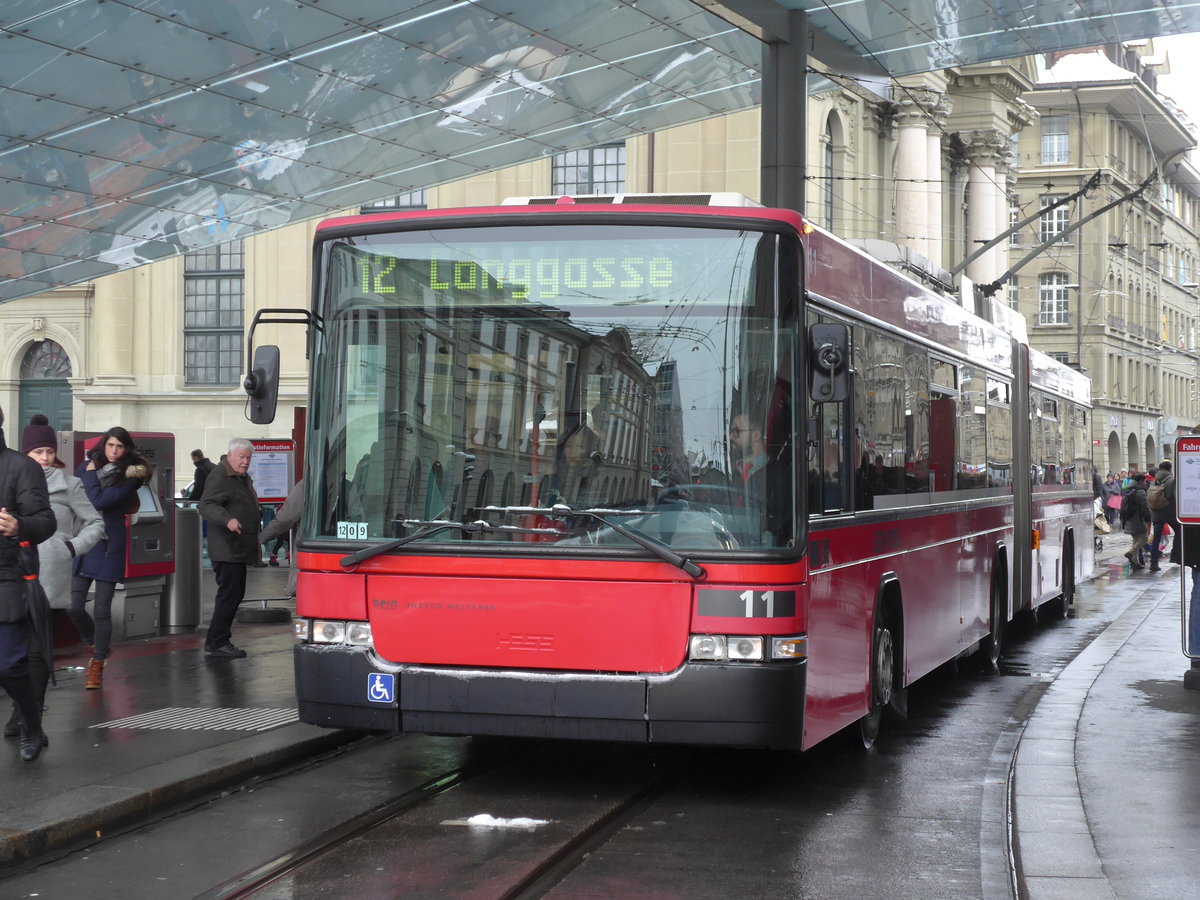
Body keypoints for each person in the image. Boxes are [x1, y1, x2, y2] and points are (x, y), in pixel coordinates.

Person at [5, 416, 103, 734]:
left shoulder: (69, 484)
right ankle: (21, 709)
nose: (45, 458)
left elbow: (95, 523)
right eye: (38, 452)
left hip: (49, 579)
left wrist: (71, 549)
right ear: (25, 454)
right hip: (12, 575)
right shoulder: (12, 476)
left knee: (37, 650)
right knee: (14, 653)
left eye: (49, 451)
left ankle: (29, 714)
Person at [72, 426, 152, 689]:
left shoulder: (131, 476)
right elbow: (75, 493)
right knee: (73, 606)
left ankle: (96, 665)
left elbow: (99, 501)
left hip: (109, 544)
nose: (115, 451)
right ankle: (99, 646)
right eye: (110, 446)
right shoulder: (87, 468)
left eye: (120, 447)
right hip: (86, 540)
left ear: (126, 449)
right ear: (103, 446)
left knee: (102, 608)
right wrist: (90, 473)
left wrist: (91, 474)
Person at [0, 406, 57, 762]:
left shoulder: (22, 467)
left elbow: (45, 522)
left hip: (8, 578)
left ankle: (31, 722)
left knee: (7, 664)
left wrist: (18, 526)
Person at [198, 439, 259, 658]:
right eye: (241, 457)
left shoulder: (240, 477)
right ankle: (217, 642)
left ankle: (217, 640)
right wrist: (228, 520)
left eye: (248, 458)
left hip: (237, 548)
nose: (245, 462)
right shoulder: (220, 475)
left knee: (233, 594)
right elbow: (206, 505)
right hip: (227, 548)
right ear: (229, 455)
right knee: (229, 594)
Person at [259, 479, 302, 595]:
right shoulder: (346, 485)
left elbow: (286, 518)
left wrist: (260, 539)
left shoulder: (307, 485)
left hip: (309, 551)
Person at [1148, 459, 1181, 572]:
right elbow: (1173, 496)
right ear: (1169, 468)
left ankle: (1153, 563)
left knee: (1156, 538)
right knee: (1180, 530)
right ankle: (1175, 555)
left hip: (1156, 512)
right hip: (1168, 511)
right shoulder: (1170, 480)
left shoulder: (1155, 479)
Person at [1119, 472, 1151, 571]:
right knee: (1144, 539)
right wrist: (1149, 517)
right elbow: (1145, 506)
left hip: (1128, 518)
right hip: (1138, 518)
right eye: (1144, 480)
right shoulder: (1140, 491)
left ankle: (1135, 562)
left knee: (1136, 540)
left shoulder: (1128, 489)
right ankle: (1131, 552)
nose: (1145, 482)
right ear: (1140, 481)